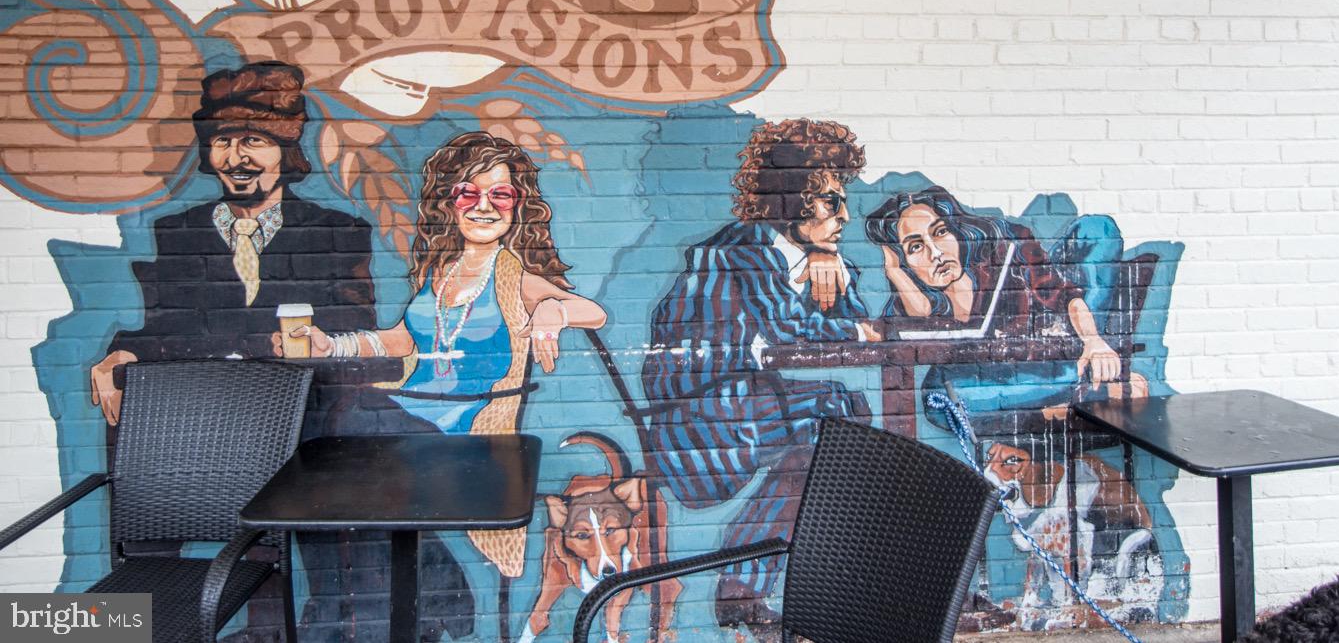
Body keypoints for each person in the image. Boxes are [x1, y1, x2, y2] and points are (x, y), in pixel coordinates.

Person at [278, 131, 606, 579]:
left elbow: (594, 313)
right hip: (411, 411)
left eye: (501, 194)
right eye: (467, 193)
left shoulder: (512, 274)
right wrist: (334, 346)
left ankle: (424, 569)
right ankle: (417, 571)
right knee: (340, 413)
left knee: (353, 413)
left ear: (519, 204)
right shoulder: (439, 270)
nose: (484, 205)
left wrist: (553, 309)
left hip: (463, 422)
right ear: (447, 203)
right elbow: (403, 339)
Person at [642, 118, 876, 640]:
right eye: (830, 201)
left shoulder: (818, 260)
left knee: (844, 416)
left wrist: (829, 262)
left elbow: (857, 326)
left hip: (746, 405)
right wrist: (827, 271)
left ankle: (751, 586)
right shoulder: (737, 252)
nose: (843, 215)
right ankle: (752, 585)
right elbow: (790, 332)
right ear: (792, 199)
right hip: (698, 422)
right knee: (835, 418)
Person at [89, 61, 376, 425]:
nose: (235, 157)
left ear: (284, 149)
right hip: (211, 419)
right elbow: (170, 329)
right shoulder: (180, 232)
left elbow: (356, 332)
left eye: (254, 140)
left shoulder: (338, 233)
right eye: (222, 141)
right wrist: (122, 352)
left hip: (307, 419)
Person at [863, 185, 1124, 390]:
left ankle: (1090, 366)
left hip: (1061, 335)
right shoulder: (908, 302)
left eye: (940, 232)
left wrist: (1094, 340)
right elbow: (893, 333)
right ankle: (1078, 380)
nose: (936, 253)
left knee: (1097, 228)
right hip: (1007, 376)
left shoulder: (1005, 253)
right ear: (904, 261)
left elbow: (1063, 296)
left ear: (957, 231)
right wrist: (894, 272)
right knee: (941, 395)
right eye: (915, 247)